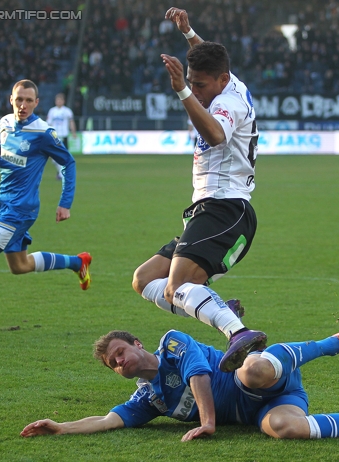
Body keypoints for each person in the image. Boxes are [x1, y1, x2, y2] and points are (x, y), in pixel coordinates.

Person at [20, 319, 339, 440]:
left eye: (120, 353)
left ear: (135, 343)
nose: (120, 363)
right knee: (284, 429)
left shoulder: (172, 343)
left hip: (260, 376)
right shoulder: (149, 398)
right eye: (113, 364)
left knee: (251, 369)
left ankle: (337, 340)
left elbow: (200, 376)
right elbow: (106, 420)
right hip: (273, 405)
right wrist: (60, 427)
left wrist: (208, 422)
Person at [131, 7, 263, 373]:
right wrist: (190, 34)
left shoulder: (229, 103)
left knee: (175, 288)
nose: (197, 88)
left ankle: (238, 331)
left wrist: (182, 91)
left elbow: (216, 135)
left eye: (201, 84)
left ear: (221, 81)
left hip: (225, 209)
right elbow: (211, 60)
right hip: (207, 210)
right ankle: (222, 309)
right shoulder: (228, 82)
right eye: (193, 81)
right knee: (144, 280)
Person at [0, 80, 92, 333]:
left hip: (20, 210)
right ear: (10, 99)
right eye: (19, 99)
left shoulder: (43, 133)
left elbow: (68, 163)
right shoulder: (3, 124)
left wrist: (65, 203)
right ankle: (78, 263)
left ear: (36, 103)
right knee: (19, 266)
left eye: (28, 100)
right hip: (5, 204)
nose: (23, 105)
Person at [45, 93, 77, 180]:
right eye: (57, 100)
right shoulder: (52, 111)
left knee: (64, 156)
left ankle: (61, 173)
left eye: (60, 100)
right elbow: (48, 123)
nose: (59, 102)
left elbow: (71, 122)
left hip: (64, 135)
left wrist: (73, 132)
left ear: (63, 101)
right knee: (51, 156)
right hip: (54, 136)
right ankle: (60, 172)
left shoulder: (67, 111)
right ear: (55, 101)